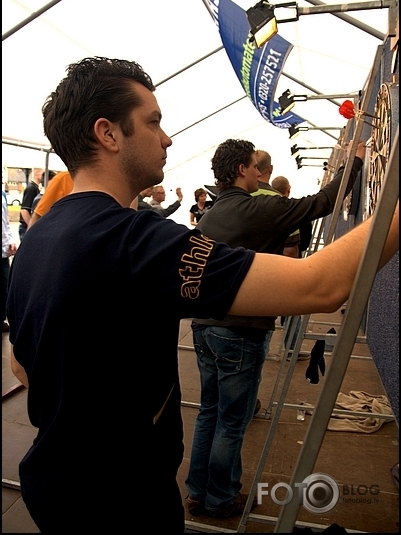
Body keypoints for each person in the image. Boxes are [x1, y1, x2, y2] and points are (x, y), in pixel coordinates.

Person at [6, 57, 398, 534]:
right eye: (153, 122)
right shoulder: (134, 241)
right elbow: (320, 283)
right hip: (121, 502)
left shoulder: (39, 240)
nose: (167, 137)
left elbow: (22, 365)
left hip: (56, 487)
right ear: (108, 133)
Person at [185, 137, 366, 517]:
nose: (258, 172)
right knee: (232, 421)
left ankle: (198, 492)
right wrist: (357, 161)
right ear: (241, 171)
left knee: (209, 412)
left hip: (205, 327)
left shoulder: (211, 214)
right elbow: (320, 203)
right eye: (254, 166)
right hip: (240, 330)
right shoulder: (256, 210)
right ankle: (220, 499)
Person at [2, 192, 17, 332]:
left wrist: (10, 240)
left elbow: (5, 223)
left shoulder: (2, 195)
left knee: (5, 287)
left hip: (3, 252)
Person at [18, 168, 43, 241]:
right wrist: (31, 227)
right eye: (43, 174)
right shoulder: (31, 188)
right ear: (37, 173)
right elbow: (24, 210)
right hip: (26, 227)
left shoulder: (35, 188)